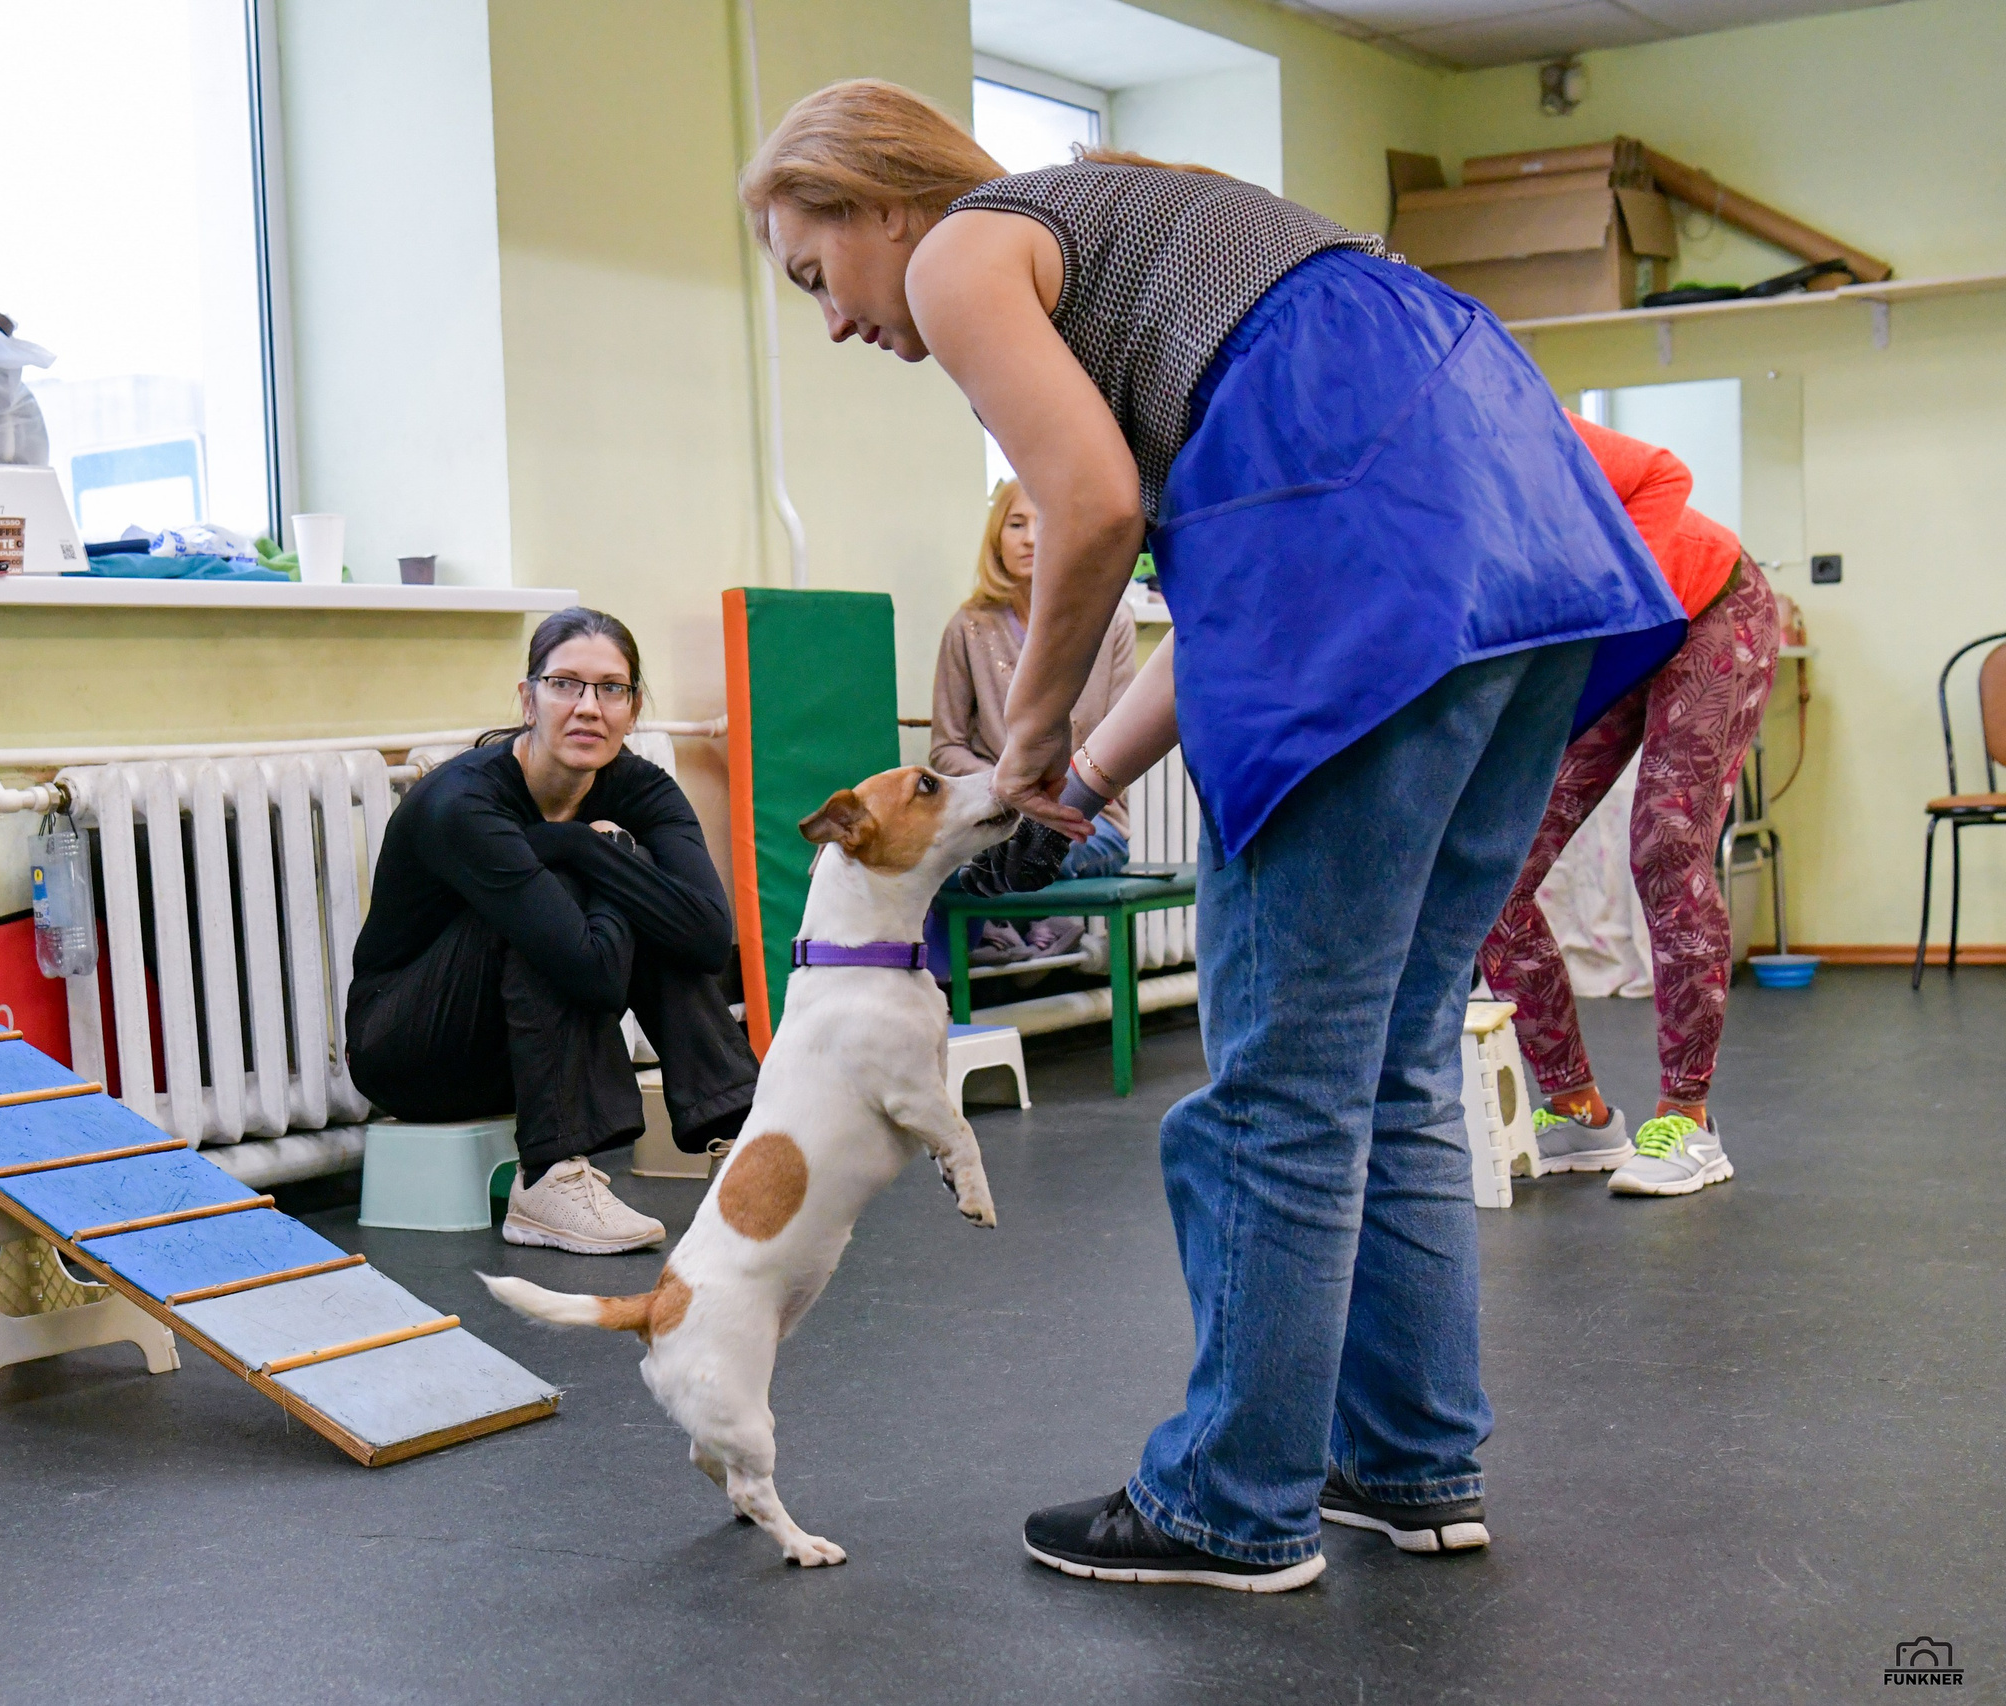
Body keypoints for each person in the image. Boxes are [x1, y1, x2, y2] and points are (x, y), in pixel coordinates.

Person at [740, 80, 1681, 1590]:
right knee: (1390, 1058)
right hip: (1524, 544)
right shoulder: (1154, 251)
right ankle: (1411, 1461)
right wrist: (1083, 787)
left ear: (877, 203)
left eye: (813, 274)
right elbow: (1229, 594)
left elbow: (1094, 510)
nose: (839, 319)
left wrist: (1028, 733)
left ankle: (1232, 1499)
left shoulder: (962, 248)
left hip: (1374, 562)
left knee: (1277, 1089)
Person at [346, 607, 759, 1256]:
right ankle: (549, 1178)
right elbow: (587, 970)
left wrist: (588, 849)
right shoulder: (465, 803)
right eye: (565, 683)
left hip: (520, 1047)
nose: (588, 707)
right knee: (569, 895)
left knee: (633, 888)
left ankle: (736, 1137)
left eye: (611, 689)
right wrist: (587, 857)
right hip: (412, 1047)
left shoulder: (641, 789)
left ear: (633, 707)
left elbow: (707, 938)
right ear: (528, 698)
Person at [1476, 416, 1780, 1198]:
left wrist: (1608, 606)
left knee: (1666, 845)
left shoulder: (1494, 417)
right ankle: (1579, 1109)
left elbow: (1665, 475)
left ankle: (1690, 1119)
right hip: (1599, 659)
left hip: (1708, 607)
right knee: (1492, 865)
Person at [929, 476, 1136, 963]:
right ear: (996, 537)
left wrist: (1048, 801)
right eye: (1016, 523)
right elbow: (945, 748)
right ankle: (1004, 936)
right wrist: (1004, 787)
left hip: (1087, 819)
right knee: (942, 853)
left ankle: (1001, 930)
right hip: (992, 813)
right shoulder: (967, 628)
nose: (1029, 537)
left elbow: (1120, 742)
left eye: (1044, 523)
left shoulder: (1114, 619)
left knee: (1007, 853)